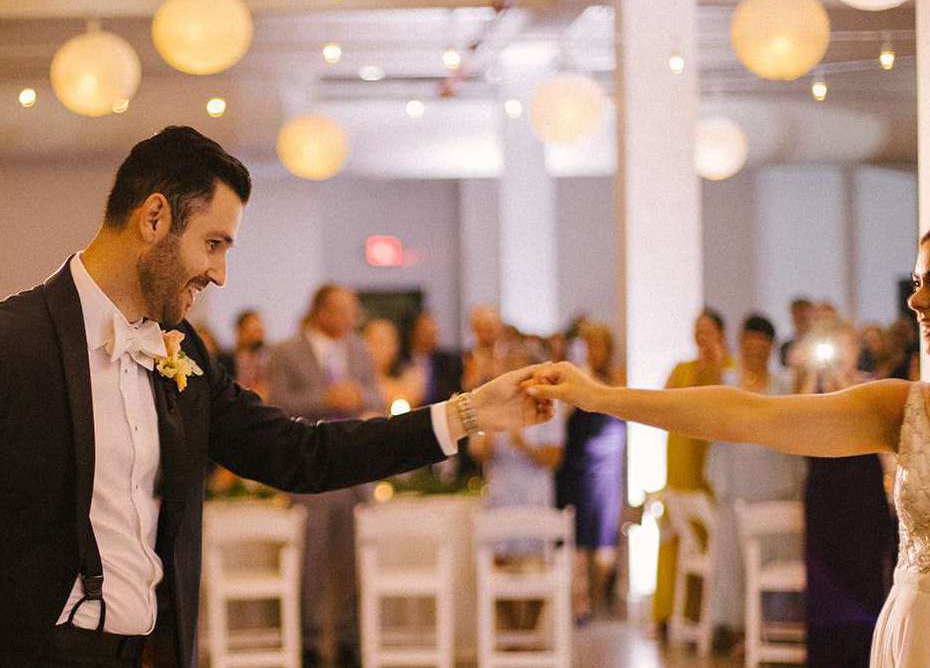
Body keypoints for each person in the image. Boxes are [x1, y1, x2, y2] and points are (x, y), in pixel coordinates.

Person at [0, 126, 548, 668]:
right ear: (154, 218)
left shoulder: (181, 347)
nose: (219, 273)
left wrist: (465, 413)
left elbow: (300, 454)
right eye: (212, 244)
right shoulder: (15, 342)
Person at [528, 209, 930, 667]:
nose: (917, 300)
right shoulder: (904, 407)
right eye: (917, 283)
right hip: (907, 644)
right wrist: (601, 396)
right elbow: (746, 415)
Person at [266, 285, 384, 666]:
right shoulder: (286, 351)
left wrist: (359, 396)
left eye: (353, 311)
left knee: (352, 559)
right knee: (312, 560)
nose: (350, 319)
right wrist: (327, 398)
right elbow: (279, 404)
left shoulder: (359, 349)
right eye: (342, 310)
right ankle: (311, 642)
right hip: (310, 471)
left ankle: (350, 639)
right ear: (320, 311)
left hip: (353, 471)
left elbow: (376, 397)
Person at [796, 324, 897, 667]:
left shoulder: (870, 385)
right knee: (824, 582)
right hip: (825, 498)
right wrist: (815, 375)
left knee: (865, 579)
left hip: (862, 498)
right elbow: (800, 426)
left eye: (845, 344)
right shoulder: (812, 387)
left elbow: (866, 423)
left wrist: (843, 381)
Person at [703, 314, 805, 652]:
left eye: (762, 348)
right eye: (750, 347)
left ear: (771, 348)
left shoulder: (785, 386)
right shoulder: (727, 384)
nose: (755, 354)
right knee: (732, 564)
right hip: (736, 491)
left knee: (774, 561)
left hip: (777, 492)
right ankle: (732, 628)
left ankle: (771, 629)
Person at [652, 307, 734, 631]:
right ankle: (667, 613)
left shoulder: (729, 369)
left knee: (712, 535)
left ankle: (708, 614)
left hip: (708, 461)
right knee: (675, 536)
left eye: (708, 329)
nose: (701, 335)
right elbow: (663, 404)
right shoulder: (681, 369)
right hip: (680, 460)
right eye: (697, 329)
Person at [554, 320, 627, 622]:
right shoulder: (577, 376)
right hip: (577, 465)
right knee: (578, 538)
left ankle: (598, 598)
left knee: (604, 540)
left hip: (606, 469)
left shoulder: (617, 379)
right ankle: (580, 602)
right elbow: (563, 418)